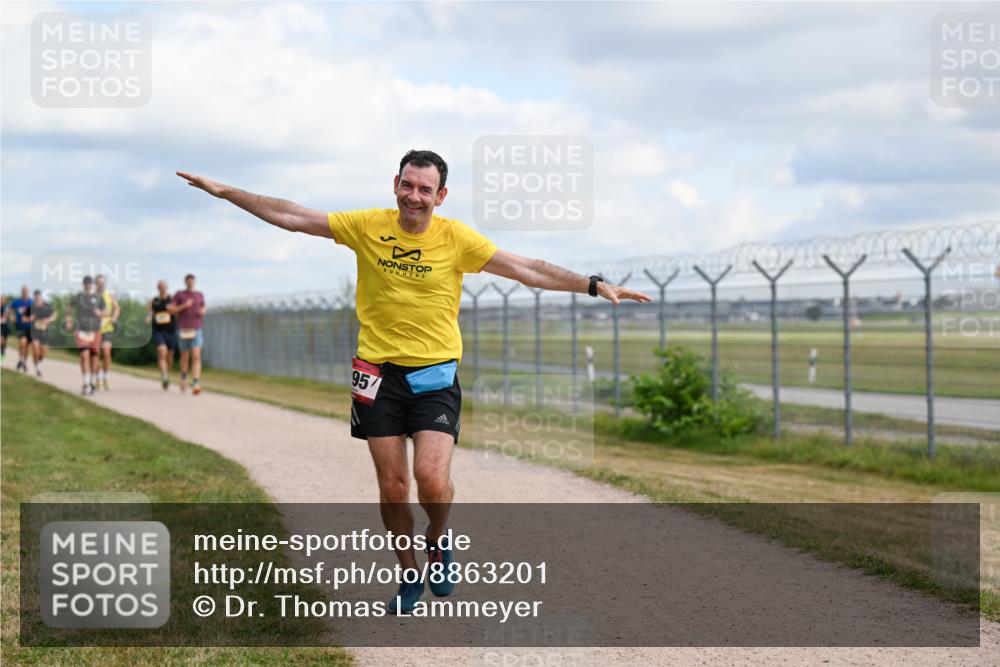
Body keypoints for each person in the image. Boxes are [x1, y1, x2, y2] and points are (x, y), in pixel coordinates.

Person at [177, 150, 650, 614]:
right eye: (407, 185)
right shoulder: (367, 226)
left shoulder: (457, 239)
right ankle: (408, 572)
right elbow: (293, 216)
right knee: (393, 485)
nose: (414, 196)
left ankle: (438, 543)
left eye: (425, 189)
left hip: (434, 375)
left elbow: (527, 269)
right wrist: (225, 192)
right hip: (376, 375)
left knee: (431, 476)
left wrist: (591, 283)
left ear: (441, 195)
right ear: (395, 184)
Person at [65, 276, 105, 395]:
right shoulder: (78, 296)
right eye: (86, 283)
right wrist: (69, 320)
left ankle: (92, 381)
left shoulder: (98, 297)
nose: (88, 285)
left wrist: (101, 312)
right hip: (81, 329)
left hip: (95, 330)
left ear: (92, 284)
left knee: (94, 357)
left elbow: (106, 311)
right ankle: (86, 383)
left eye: (89, 283)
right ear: (83, 284)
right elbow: (69, 308)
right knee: (84, 355)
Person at [173, 274, 206, 395]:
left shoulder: (199, 295)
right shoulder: (180, 294)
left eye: (192, 281)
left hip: (196, 328)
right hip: (183, 329)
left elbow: (204, 307)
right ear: (185, 282)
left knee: (196, 355)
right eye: (188, 281)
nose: (190, 283)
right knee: (184, 356)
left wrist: (203, 311)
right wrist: (184, 305)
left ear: (195, 282)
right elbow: (172, 309)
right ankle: (183, 377)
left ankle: (196, 382)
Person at [147, 280, 178, 390]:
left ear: (167, 288)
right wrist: (149, 317)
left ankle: (166, 374)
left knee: (170, 357)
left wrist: (172, 309)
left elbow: (176, 311)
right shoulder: (154, 301)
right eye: (160, 287)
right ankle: (164, 377)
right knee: (162, 351)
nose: (162, 289)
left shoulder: (172, 299)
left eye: (164, 287)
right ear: (158, 288)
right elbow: (150, 312)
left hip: (171, 330)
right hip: (158, 330)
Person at [95, 274, 121, 390]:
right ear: (96, 283)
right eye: (99, 282)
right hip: (94, 329)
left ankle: (105, 377)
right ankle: (98, 379)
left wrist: (114, 317)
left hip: (107, 328)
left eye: (103, 282)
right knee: (96, 354)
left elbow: (117, 308)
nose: (101, 284)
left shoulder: (109, 295)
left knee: (106, 353)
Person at [29, 290, 56, 377]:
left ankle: (38, 363)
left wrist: (49, 320)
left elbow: (55, 315)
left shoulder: (47, 306)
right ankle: (37, 368)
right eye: (36, 297)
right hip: (35, 331)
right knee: (36, 349)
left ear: (41, 297)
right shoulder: (31, 307)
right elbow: (24, 318)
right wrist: (30, 318)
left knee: (43, 352)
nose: (37, 299)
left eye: (39, 297)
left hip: (45, 332)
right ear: (34, 298)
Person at [11, 285, 33, 373]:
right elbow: (9, 309)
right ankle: (21, 359)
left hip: (30, 327)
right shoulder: (16, 302)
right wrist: (11, 316)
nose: (25, 293)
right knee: (22, 343)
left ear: (28, 292)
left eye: (26, 291)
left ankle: (23, 361)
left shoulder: (31, 302)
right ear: (21, 292)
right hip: (20, 326)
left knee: (27, 346)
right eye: (23, 291)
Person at [1, 296, 9, 361]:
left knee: (4, 340)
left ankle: (3, 350)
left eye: (2, 300)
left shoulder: (6, 307)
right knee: (1, 339)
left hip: (5, 326)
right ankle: (2, 352)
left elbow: (5, 317)